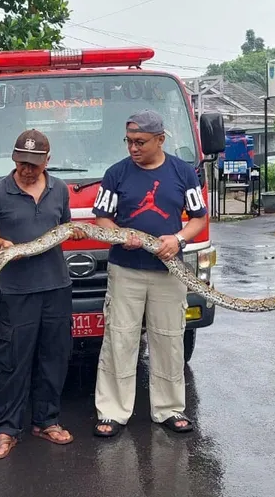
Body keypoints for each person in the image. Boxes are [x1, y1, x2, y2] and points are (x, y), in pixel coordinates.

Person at [90, 110, 208, 437]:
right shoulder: (116, 174)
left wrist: (179, 238)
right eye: (128, 141)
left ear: (160, 139)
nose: (133, 148)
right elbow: (102, 218)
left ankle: (170, 409)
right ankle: (112, 411)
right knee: (120, 338)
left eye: (140, 142)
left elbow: (198, 217)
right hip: (125, 270)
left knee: (170, 339)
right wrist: (119, 234)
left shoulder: (183, 173)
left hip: (169, 272)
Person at [0, 129, 85, 460]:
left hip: (56, 286)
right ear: (14, 158)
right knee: (12, 360)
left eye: (34, 164)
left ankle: (47, 420)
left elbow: (63, 229)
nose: (27, 169)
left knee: (54, 356)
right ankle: (8, 429)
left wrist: (76, 233)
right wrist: (1, 244)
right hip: (16, 289)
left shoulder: (60, 189)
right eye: (22, 162)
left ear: (47, 162)